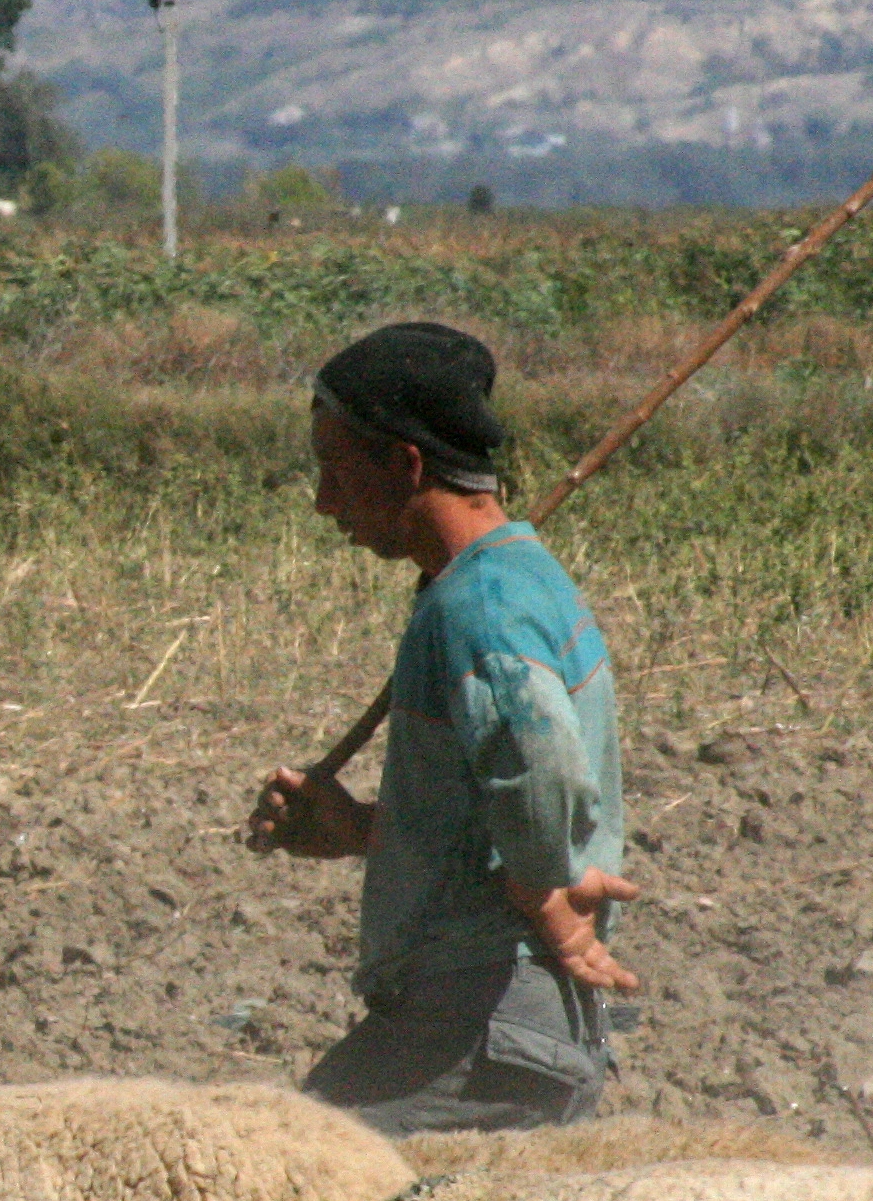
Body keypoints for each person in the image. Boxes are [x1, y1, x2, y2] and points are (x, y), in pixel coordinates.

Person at [249, 321, 636, 1134]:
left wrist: (546, 894)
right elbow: (491, 817)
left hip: (481, 1021)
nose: (323, 501)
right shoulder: (516, 577)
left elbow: (542, 769)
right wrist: (362, 830)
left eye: (335, 469)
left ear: (405, 465)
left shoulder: (479, 606)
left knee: (299, 1175)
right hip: (507, 1024)